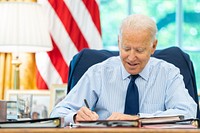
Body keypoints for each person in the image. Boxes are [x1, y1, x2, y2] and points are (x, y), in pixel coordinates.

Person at [50, 14, 197, 125]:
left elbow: (187, 112)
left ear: (153, 46)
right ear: (118, 42)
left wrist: (139, 119)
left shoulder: (168, 73)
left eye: (139, 50)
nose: (131, 57)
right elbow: (57, 113)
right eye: (126, 48)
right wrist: (76, 116)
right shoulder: (98, 73)